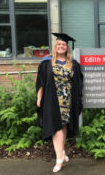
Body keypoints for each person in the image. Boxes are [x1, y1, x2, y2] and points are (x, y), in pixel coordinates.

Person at [36, 33, 83, 173]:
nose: (61, 46)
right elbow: (40, 82)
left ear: (67, 47)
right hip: (51, 99)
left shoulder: (73, 64)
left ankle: (62, 152)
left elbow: (79, 83)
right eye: (59, 44)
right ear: (55, 46)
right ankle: (59, 159)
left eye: (63, 44)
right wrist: (39, 98)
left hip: (67, 100)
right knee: (55, 128)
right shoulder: (47, 62)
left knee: (62, 126)